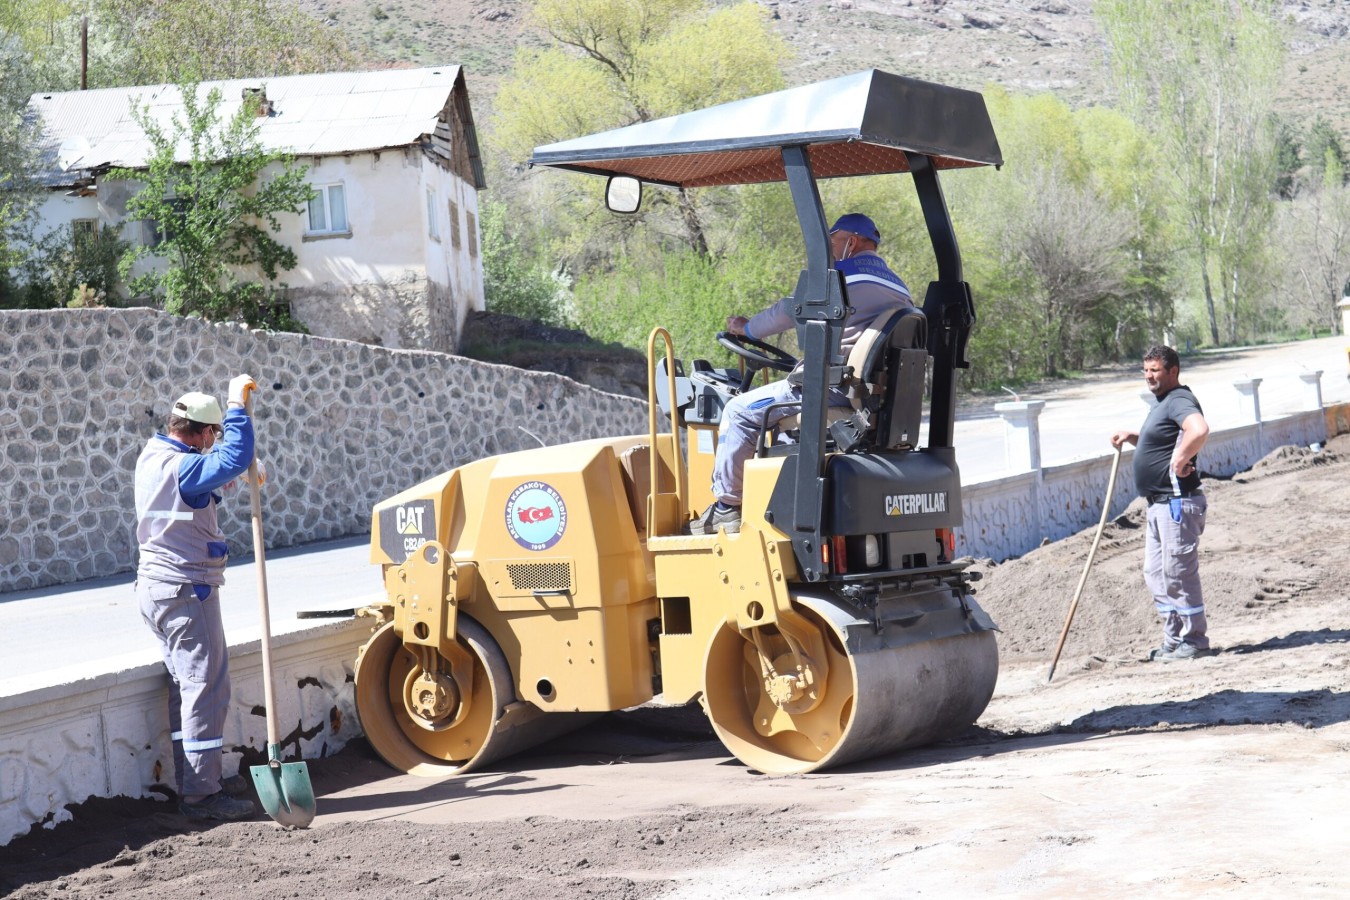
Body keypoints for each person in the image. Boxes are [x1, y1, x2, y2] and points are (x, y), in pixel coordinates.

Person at [691, 213, 913, 535]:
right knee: (773, 418)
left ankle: (727, 507)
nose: (831, 248)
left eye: (833, 240)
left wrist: (747, 328)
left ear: (851, 240)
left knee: (738, 411)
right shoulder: (899, 287)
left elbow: (788, 310)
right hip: (868, 392)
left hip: (828, 388)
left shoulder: (838, 277)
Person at [134, 375, 260, 820]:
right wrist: (236, 405)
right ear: (205, 432)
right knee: (205, 687)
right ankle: (203, 796)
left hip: (157, 588)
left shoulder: (155, 456)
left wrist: (228, 479)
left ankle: (197, 779)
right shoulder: (185, 466)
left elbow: (191, 494)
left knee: (186, 686)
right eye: (213, 435)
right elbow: (231, 455)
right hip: (186, 589)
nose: (213, 444)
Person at [1110, 345, 1212, 661]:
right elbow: (1162, 442)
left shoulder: (1179, 399)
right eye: (1146, 370)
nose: (1149, 376)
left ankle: (1194, 640)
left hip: (1176, 503)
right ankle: (1173, 638)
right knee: (1156, 573)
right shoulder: (1162, 403)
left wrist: (1182, 460)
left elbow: (1199, 430)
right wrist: (1134, 437)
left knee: (1178, 573)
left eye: (1155, 370)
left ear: (1173, 371)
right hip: (1158, 505)